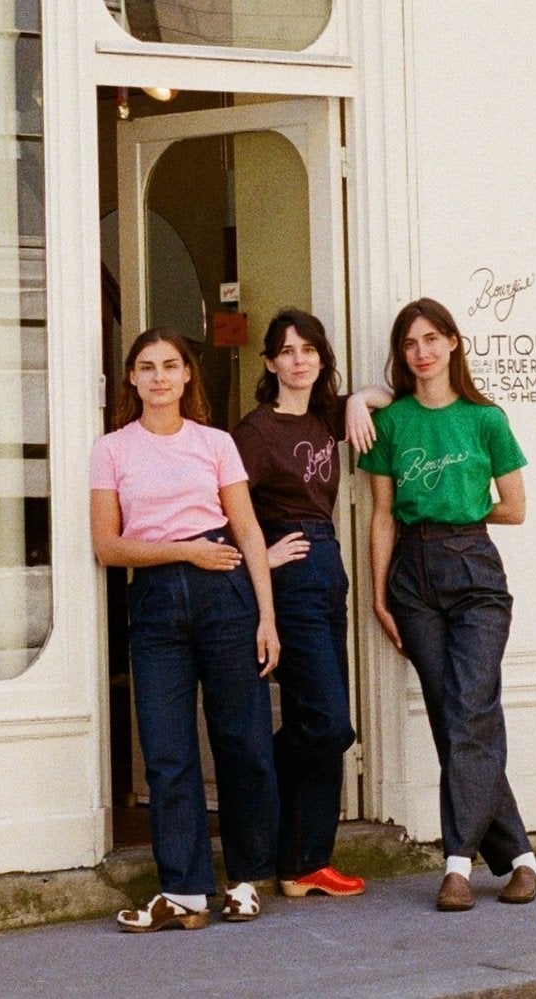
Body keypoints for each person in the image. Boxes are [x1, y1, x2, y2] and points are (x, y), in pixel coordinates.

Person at [91, 328, 282, 933]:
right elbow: (107, 546)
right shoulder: (112, 449)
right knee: (167, 751)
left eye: (170, 365)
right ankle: (185, 891)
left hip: (226, 596)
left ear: (187, 375)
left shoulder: (216, 443)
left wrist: (267, 616)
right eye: (147, 367)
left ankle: (246, 879)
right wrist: (184, 551)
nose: (159, 377)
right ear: (132, 377)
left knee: (243, 743)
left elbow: (247, 530)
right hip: (155, 605)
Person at [357, 298, 536, 912]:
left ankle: (457, 864)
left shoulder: (485, 419)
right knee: (453, 715)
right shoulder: (392, 422)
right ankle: (521, 859)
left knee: (469, 708)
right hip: (411, 577)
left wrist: (460, 512)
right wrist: (379, 594)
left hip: (474, 572)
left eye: (432, 339)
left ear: (453, 343)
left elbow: (514, 508)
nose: (422, 352)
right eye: (411, 343)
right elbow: (382, 515)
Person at [232, 310, 369, 900]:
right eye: (286, 351)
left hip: (329, 568)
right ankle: (258, 787)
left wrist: (358, 400)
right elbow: (222, 505)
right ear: (269, 363)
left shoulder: (324, 415)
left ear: (321, 358)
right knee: (330, 723)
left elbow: (392, 394)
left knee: (320, 719)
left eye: (308, 350)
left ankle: (305, 862)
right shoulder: (255, 431)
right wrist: (261, 554)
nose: (298, 360)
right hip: (289, 578)